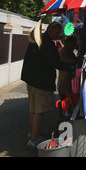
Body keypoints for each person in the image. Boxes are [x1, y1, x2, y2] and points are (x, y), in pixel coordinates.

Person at [21, 21, 75, 149]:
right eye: (57, 32)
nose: (59, 35)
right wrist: (71, 66)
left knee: (33, 109)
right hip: (41, 82)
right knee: (39, 111)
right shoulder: (47, 43)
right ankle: (34, 139)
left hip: (31, 80)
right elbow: (56, 63)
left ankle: (33, 133)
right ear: (51, 31)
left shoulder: (37, 39)